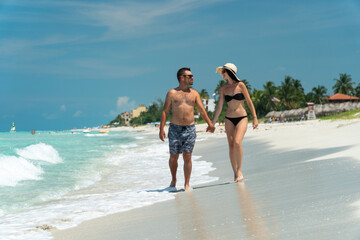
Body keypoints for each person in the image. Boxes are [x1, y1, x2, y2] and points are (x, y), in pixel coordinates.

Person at [159, 67, 215, 191]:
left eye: (192, 76)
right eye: (190, 76)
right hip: (175, 128)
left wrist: (210, 124)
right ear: (182, 78)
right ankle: (173, 180)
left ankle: (187, 184)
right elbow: (165, 111)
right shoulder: (172, 93)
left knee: (187, 156)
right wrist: (161, 129)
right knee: (174, 156)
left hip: (190, 128)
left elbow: (201, 110)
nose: (192, 78)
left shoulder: (194, 93)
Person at [211, 63, 258, 182]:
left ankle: (240, 169)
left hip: (242, 117)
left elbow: (249, 101)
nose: (222, 74)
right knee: (231, 146)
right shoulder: (223, 89)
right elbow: (219, 107)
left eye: (224, 72)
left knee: (237, 142)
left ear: (229, 72)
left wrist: (255, 117)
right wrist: (212, 123)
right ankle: (235, 173)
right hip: (229, 118)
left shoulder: (241, 85)